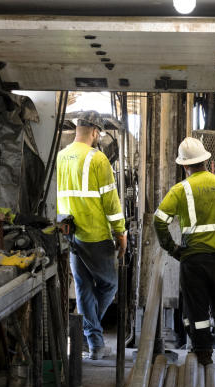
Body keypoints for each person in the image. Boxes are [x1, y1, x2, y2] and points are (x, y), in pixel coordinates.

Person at [153, 137, 215, 377]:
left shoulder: (181, 190)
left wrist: (173, 248)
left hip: (192, 261)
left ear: (184, 166)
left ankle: (204, 360)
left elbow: (159, 220)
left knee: (197, 315)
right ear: (207, 161)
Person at [56, 111, 127, 360]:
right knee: (110, 284)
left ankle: (94, 343)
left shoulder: (61, 157)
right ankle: (91, 328)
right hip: (95, 235)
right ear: (96, 132)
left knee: (84, 286)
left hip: (71, 235)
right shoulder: (98, 159)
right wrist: (120, 233)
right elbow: (111, 202)